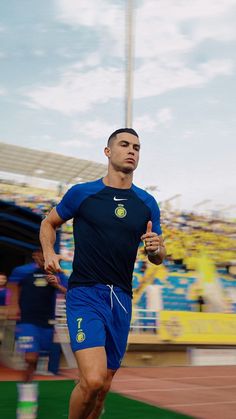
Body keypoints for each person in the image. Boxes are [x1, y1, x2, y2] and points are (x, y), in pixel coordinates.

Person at [39, 128, 166, 419]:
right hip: (85, 294)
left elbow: (158, 258)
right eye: (124, 144)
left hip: (121, 299)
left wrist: (156, 248)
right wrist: (49, 252)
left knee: (103, 387)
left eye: (137, 146)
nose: (132, 150)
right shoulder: (83, 193)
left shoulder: (146, 204)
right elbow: (49, 223)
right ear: (108, 152)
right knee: (93, 379)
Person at [8, 248, 67, 419]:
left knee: (36, 361)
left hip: (47, 324)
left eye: (46, 256)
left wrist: (56, 284)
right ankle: (27, 402)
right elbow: (12, 285)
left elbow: (69, 292)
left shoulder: (58, 273)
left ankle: (29, 387)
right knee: (30, 358)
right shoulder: (22, 271)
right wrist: (13, 306)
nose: (42, 258)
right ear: (35, 255)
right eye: (39, 255)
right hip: (27, 322)